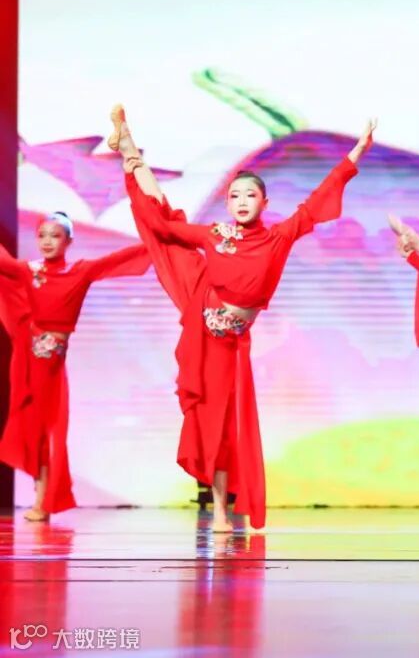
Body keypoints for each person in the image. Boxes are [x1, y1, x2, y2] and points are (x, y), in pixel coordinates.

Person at [112, 104, 375, 532]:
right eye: (234, 195)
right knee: (167, 221)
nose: (240, 202)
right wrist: (134, 164)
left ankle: (225, 505)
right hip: (203, 325)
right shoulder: (214, 234)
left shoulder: (277, 237)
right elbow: (165, 225)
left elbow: (315, 205)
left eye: (249, 195)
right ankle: (129, 151)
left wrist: (354, 156)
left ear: (264, 202)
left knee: (230, 423)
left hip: (232, 343)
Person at [0, 212, 149, 520]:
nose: (47, 241)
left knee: (49, 428)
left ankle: (44, 500)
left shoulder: (80, 271)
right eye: (42, 235)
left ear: (68, 241)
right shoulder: (29, 270)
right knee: (36, 428)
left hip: (52, 366)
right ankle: (41, 500)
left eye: (55, 235)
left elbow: (117, 260)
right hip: (29, 359)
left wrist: (156, 241)